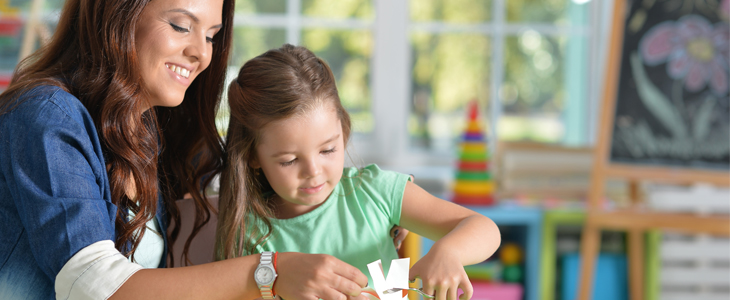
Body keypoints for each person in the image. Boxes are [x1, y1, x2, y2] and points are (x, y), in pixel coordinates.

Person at [0, 1, 378, 299]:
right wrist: (271, 272)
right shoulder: (46, 115)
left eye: (212, 35)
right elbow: (94, 286)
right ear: (119, 14)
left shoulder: (144, 131)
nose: (202, 52)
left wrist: (357, 225)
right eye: (181, 26)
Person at [215, 44, 502, 300]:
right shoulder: (245, 230)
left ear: (343, 130)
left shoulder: (375, 191)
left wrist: (448, 252)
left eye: (327, 150)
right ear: (252, 155)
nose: (313, 171)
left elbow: (483, 228)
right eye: (289, 160)